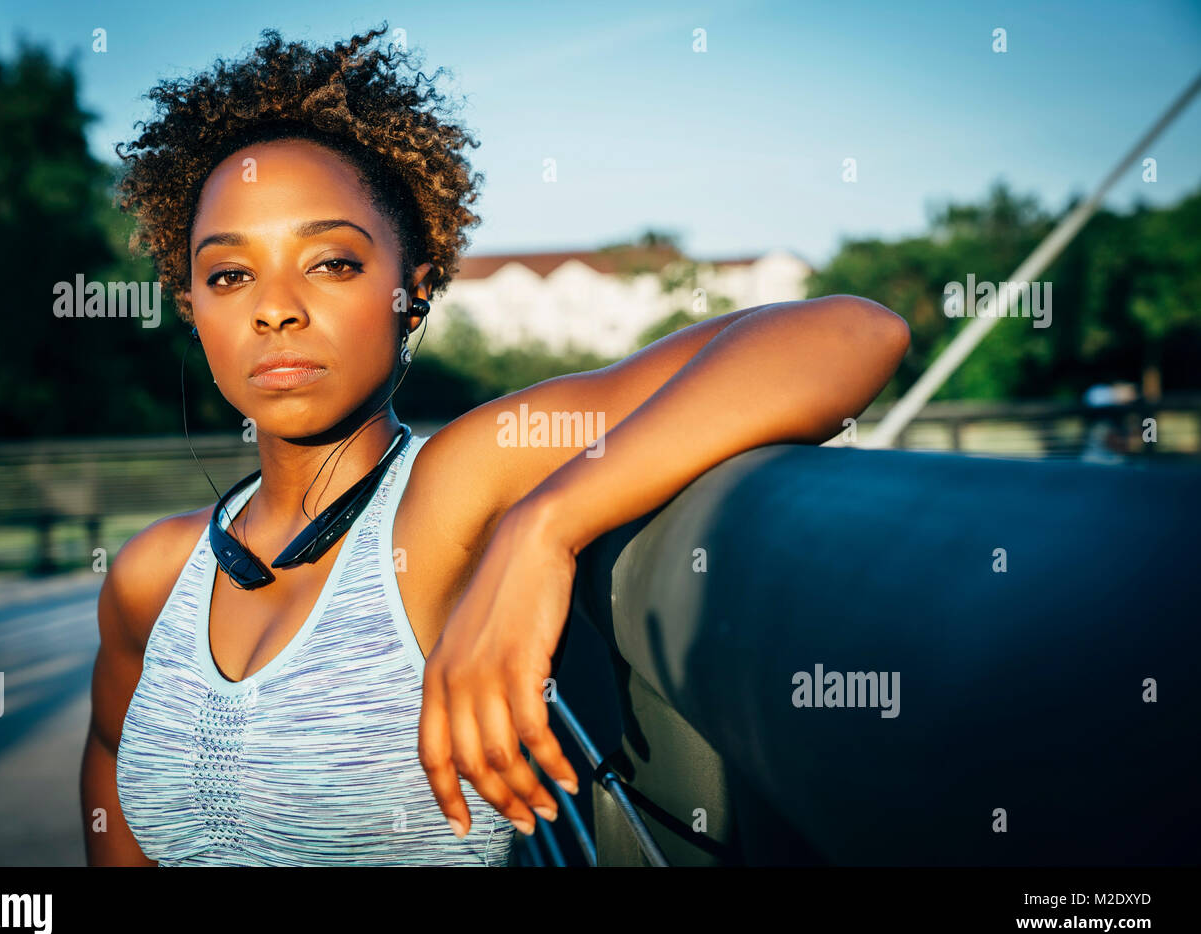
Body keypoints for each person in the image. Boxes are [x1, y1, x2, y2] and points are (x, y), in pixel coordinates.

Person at [80, 24, 911, 866]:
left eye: (331, 263)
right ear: (190, 305)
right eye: (229, 274)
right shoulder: (152, 576)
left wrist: (541, 527)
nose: (275, 308)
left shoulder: (449, 493)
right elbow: (113, 767)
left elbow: (849, 334)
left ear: (416, 287)